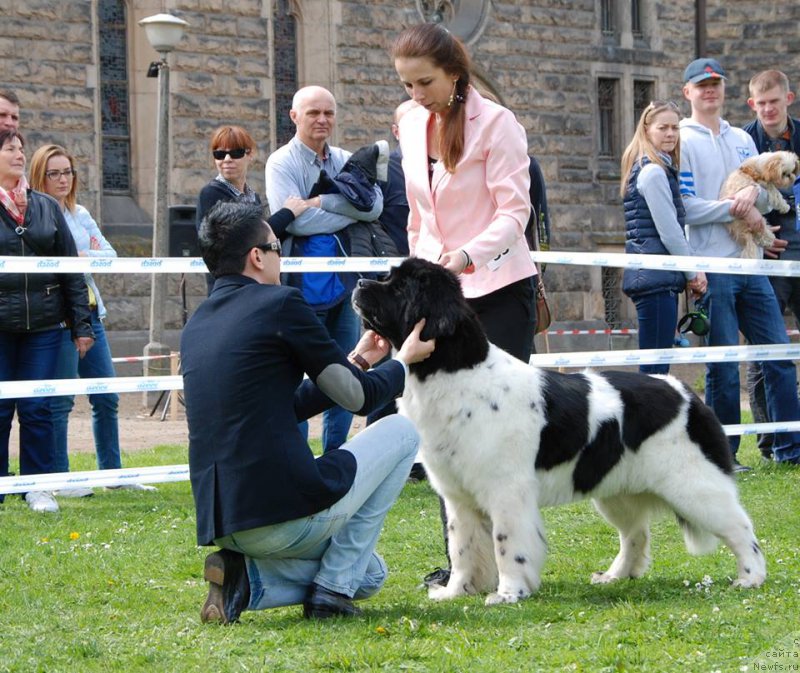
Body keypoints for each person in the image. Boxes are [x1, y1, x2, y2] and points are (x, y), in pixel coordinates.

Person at [180, 201, 434, 622]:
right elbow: (359, 399)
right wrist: (403, 362)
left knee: (371, 575)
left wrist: (358, 361)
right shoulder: (280, 303)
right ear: (256, 256)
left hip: (224, 525)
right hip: (282, 517)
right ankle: (332, 590)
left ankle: (246, 582)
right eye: (277, 248)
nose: (281, 258)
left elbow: (285, 406)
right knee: (403, 432)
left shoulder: (196, 325)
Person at [391, 22, 537, 588]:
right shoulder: (408, 123)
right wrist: (416, 280)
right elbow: (417, 214)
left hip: (498, 288)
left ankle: (510, 564)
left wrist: (466, 257)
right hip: (439, 292)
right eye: (407, 85)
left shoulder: (498, 124)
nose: (416, 95)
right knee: (442, 430)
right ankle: (463, 567)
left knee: (500, 437)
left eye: (424, 82)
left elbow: (514, 213)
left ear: (454, 73)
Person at [678, 57, 800, 468]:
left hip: (751, 265)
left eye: (715, 84)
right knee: (724, 367)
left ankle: (790, 449)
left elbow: (767, 194)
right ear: (688, 92)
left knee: (778, 355)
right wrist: (734, 206)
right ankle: (723, 456)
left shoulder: (743, 140)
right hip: (713, 267)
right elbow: (687, 207)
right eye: (702, 85)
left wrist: (754, 199)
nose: (710, 91)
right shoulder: (682, 140)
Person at [27, 144, 154, 495]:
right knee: (61, 400)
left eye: (67, 172)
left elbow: (109, 256)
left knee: (107, 395)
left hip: (92, 312)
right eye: (54, 173)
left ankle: (112, 473)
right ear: (40, 177)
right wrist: (81, 259)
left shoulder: (80, 213)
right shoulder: (35, 215)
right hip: (59, 318)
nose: (63, 179)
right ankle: (62, 478)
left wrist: (81, 256)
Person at [265, 86, 384, 454]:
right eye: (313, 113)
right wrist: (348, 211)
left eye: (328, 113)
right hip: (299, 288)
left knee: (346, 370)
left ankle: (335, 454)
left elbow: (374, 207)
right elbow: (295, 223)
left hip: (344, 287)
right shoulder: (281, 163)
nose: (322, 120)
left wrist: (318, 202)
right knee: (294, 373)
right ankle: (297, 457)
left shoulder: (346, 159)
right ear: (294, 116)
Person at [0, 129, 94, 513]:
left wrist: (81, 325)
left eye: (21, 148)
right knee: (0, 409)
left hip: (43, 326)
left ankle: (37, 487)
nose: (19, 154)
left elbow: (71, 269)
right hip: (1, 326)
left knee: (36, 407)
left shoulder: (46, 206)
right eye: (10, 148)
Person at [620, 100, 708, 374]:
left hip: (657, 278)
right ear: (647, 130)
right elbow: (670, 232)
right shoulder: (653, 171)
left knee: (655, 369)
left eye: (675, 128)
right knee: (654, 373)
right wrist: (693, 272)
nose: (671, 134)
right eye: (663, 128)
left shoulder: (659, 168)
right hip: (654, 278)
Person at [742, 70, 800, 460]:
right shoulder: (743, 141)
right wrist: (760, 234)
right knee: (765, 349)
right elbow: (735, 193)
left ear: (788, 99)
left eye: (774, 102)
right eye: (761, 104)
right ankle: (768, 440)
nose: (768, 110)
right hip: (769, 253)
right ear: (752, 104)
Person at [196, 126, 262, 295]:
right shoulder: (211, 193)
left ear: (249, 154)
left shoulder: (254, 197)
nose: (227, 159)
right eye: (219, 154)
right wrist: (288, 213)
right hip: (226, 286)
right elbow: (229, 243)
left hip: (254, 283)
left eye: (235, 153)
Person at [378, 99, 417, 256]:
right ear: (396, 132)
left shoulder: (446, 166)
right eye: (410, 124)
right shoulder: (383, 170)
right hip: (399, 264)